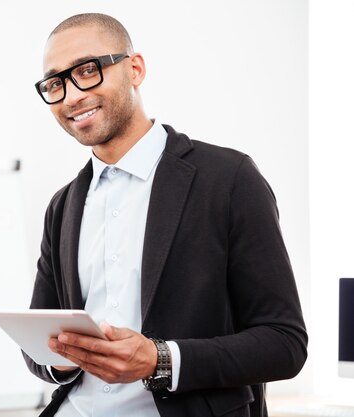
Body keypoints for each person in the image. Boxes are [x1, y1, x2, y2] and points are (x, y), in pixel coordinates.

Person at [24, 12, 308, 417]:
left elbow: (285, 343)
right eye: (55, 83)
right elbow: (38, 345)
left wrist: (161, 360)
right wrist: (63, 358)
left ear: (135, 69)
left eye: (88, 70)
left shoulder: (228, 179)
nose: (71, 96)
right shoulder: (63, 205)